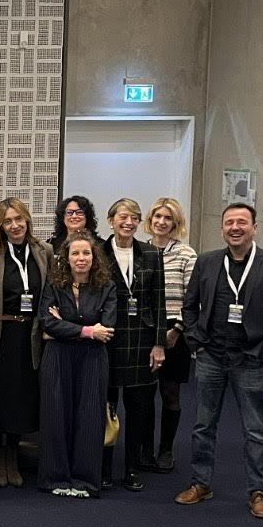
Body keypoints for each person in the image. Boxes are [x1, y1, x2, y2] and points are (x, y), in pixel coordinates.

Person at [174, 203, 263, 520]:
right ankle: (201, 483)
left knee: (254, 430)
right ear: (222, 229)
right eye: (229, 222)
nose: (235, 227)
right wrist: (196, 343)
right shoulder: (207, 262)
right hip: (211, 357)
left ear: (255, 228)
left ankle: (258, 491)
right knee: (203, 425)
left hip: (250, 359)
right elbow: (189, 307)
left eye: (242, 222)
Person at [0, 198, 51, 488]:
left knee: (23, 397)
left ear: (27, 220)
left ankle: (13, 455)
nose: (15, 225)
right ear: (0, 226)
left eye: (19, 219)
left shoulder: (44, 251)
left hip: (30, 334)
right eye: (8, 221)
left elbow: (51, 290)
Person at [37, 231, 117, 499]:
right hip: (58, 358)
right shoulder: (54, 285)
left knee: (90, 417)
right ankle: (55, 478)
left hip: (93, 359)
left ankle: (85, 481)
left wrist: (65, 325)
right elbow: (47, 323)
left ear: (94, 258)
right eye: (75, 253)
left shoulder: (107, 287)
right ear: (66, 258)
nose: (81, 258)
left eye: (86, 253)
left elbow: (107, 327)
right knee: (55, 415)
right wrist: (87, 330)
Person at [101, 199, 166, 493]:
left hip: (142, 339)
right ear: (111, 220)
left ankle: (132, 468)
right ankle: (104, 467)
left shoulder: (151, 254)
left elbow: (159, 302)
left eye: (135, 218)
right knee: (107, 407)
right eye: (123, 217)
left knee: (138, 409)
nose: (129, 222)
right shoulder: (98, 252)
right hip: (109, 338)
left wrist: (159, 344)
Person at [145, 196, 198, 473]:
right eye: (158, 216)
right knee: (141, 395)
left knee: (170, 393)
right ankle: (142, 449)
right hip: (143, 328)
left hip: (174, 330)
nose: (162, 222)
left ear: (176, 223)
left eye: (168, 218)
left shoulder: (187, 254)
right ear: (150, 220)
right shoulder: (140, 251)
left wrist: (177, 330)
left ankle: (165, 449)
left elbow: (193, 298)